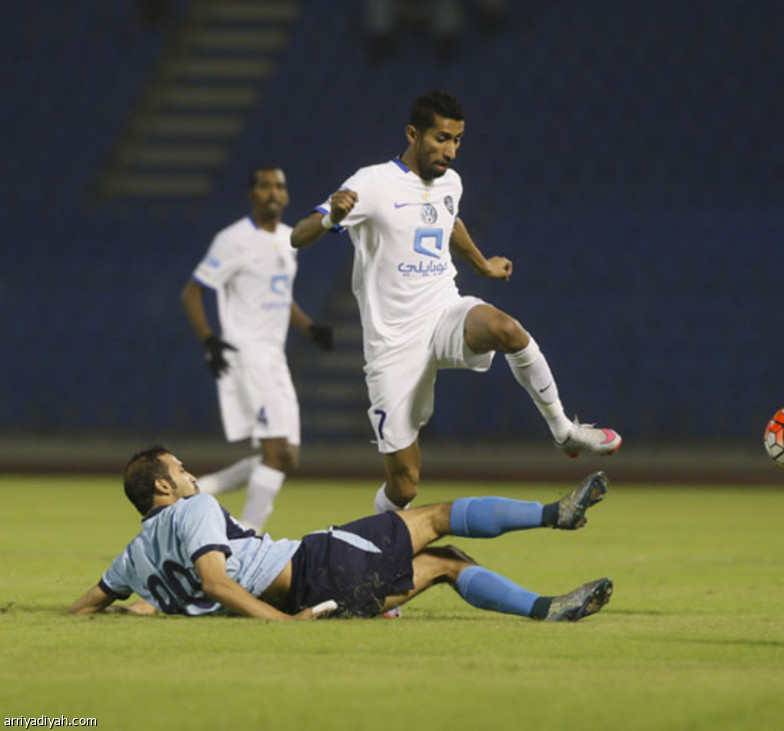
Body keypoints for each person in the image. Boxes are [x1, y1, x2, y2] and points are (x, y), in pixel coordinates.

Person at [290, 90, 621, 517]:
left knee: (508, 330)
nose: (450, 151)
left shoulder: (451, 182)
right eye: (441, 138)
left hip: (443, 311)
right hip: (393, 344)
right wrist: (330, 217)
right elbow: (298, 235)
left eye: (458, 140)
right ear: (413, 133)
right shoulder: (371, 183)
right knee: (405, 485)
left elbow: (449, 220)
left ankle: (563, 430)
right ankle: (366, 546)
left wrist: (482, 265)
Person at [68, 446, 614, 622]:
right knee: (439, 517)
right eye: (181, 470)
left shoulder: (133, 558)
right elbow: (214, 581)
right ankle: (554, 514)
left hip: (324, 597)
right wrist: (282, 625)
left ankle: (548, 609)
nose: (192, 475)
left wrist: (134, 609)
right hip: (317, 563)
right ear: (164, 486)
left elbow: (87, 606)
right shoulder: (195, 510)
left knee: (447, 563)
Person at [181, 166, 333, 534]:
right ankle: (248, 536)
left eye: (279, 186)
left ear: (287, 195)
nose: (273, 192)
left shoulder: (289, 238)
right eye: (265, 186)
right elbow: (192, 292)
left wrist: (309, 326)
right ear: (252, 194)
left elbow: (281, 298)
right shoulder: (232, 239)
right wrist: (209, 341)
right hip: (246, 355)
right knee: (275, 453)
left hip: (274, 358)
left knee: (287, 458)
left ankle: (196, 491)